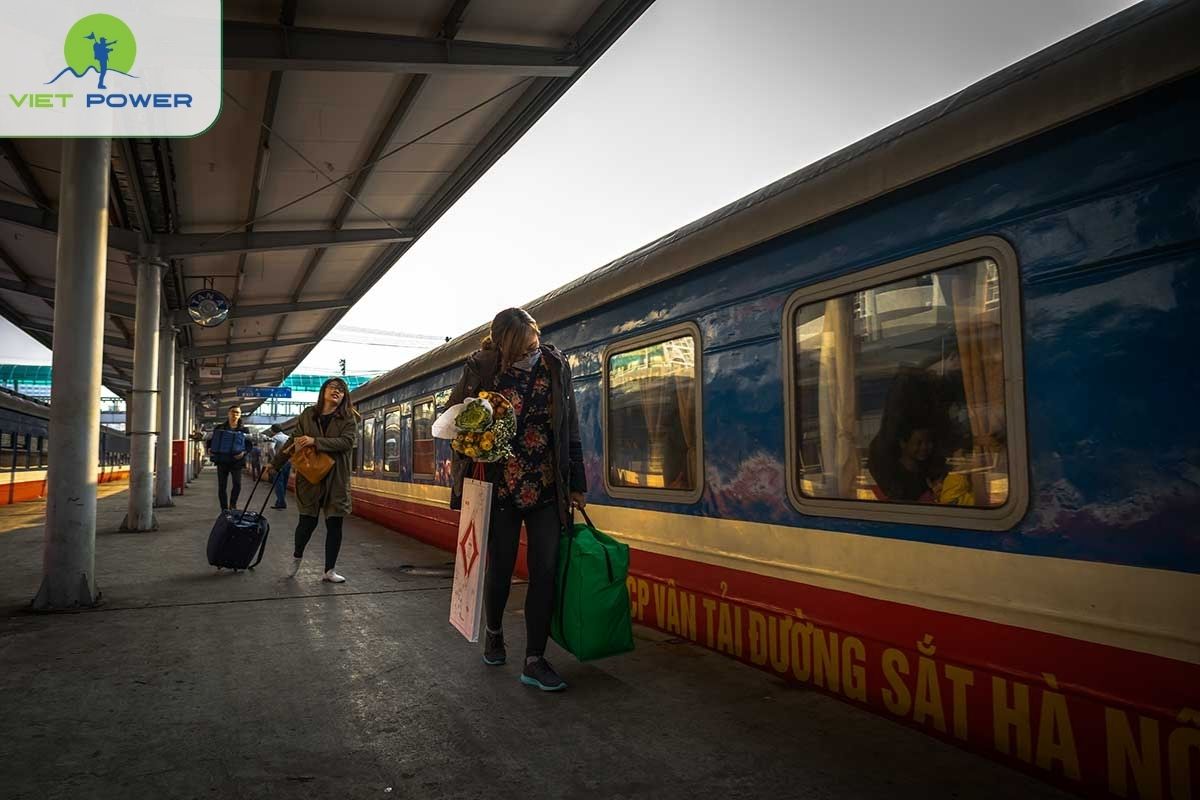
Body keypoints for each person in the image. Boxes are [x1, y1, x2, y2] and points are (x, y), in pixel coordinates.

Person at [449, 307, 586, 692]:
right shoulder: (483, 368)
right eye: (526, 345)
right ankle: (494, 633)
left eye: (536, 341)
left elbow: (569, 426)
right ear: (505, 344)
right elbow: (455, 420)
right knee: (501, 568)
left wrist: (577, 483)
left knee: (544, 570)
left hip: (545, 484)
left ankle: (535, 659)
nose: (534, 349)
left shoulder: (555, 366)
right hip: (500, 485)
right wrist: (476, 434)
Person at [269, 378, 358, 583]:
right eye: (332, 388)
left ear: (344, 396)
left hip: (336, 478)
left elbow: (346, 442)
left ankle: (329, 570)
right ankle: (297, 557)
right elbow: (293, 441)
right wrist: (276, 463)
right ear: (323, 391)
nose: (337, 392)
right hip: (310, 476)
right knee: (307, 522)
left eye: (341, 390)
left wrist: (315, 441)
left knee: (335, 524)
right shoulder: (309, 414)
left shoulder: (348, 418)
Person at [208, 406, 249, 511]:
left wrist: (243, 453)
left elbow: (249, 445)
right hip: (222, 460)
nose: (235, 415)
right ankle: (224, 509)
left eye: (238, 413)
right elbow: (210, 440)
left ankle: (233, 505)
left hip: (237, 461)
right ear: (228, 413)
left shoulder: (244, 430)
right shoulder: (219, 427)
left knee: (237, 484)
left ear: (240, 415)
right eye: (233, 412)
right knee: (222, 486)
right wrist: (209, 449)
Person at [268, 425, 291, 509]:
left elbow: (271, 448)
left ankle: (281, 502)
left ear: (273, 430)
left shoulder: (275, 438)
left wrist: (275, 460)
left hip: (278, 463)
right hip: (288, 462)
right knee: (284, 483)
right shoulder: (287, 437)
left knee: (278, 483)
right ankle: (280, 502)